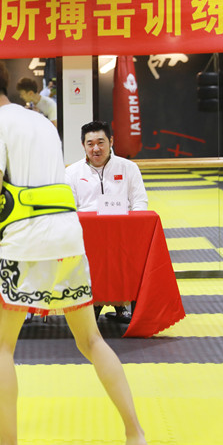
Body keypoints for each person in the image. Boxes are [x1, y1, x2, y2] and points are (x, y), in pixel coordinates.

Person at [0, 53, 147, 445]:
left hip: (26, 243)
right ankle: (135, 434)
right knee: (92, 341)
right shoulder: (40, 121)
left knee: (0, 346)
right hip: (69, 239)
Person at [66, 120, 148, 321]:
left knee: (125, 252)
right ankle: (93, 303)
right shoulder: (72, 172)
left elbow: (139, 202)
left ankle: (121, 303)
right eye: (90, 143)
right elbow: (69, 209)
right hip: (87, 236)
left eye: (101, 142)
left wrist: (135, 227)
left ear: (111, 141)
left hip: (123, 234)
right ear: (83, 145)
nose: (96, 148)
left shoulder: (129, 168)